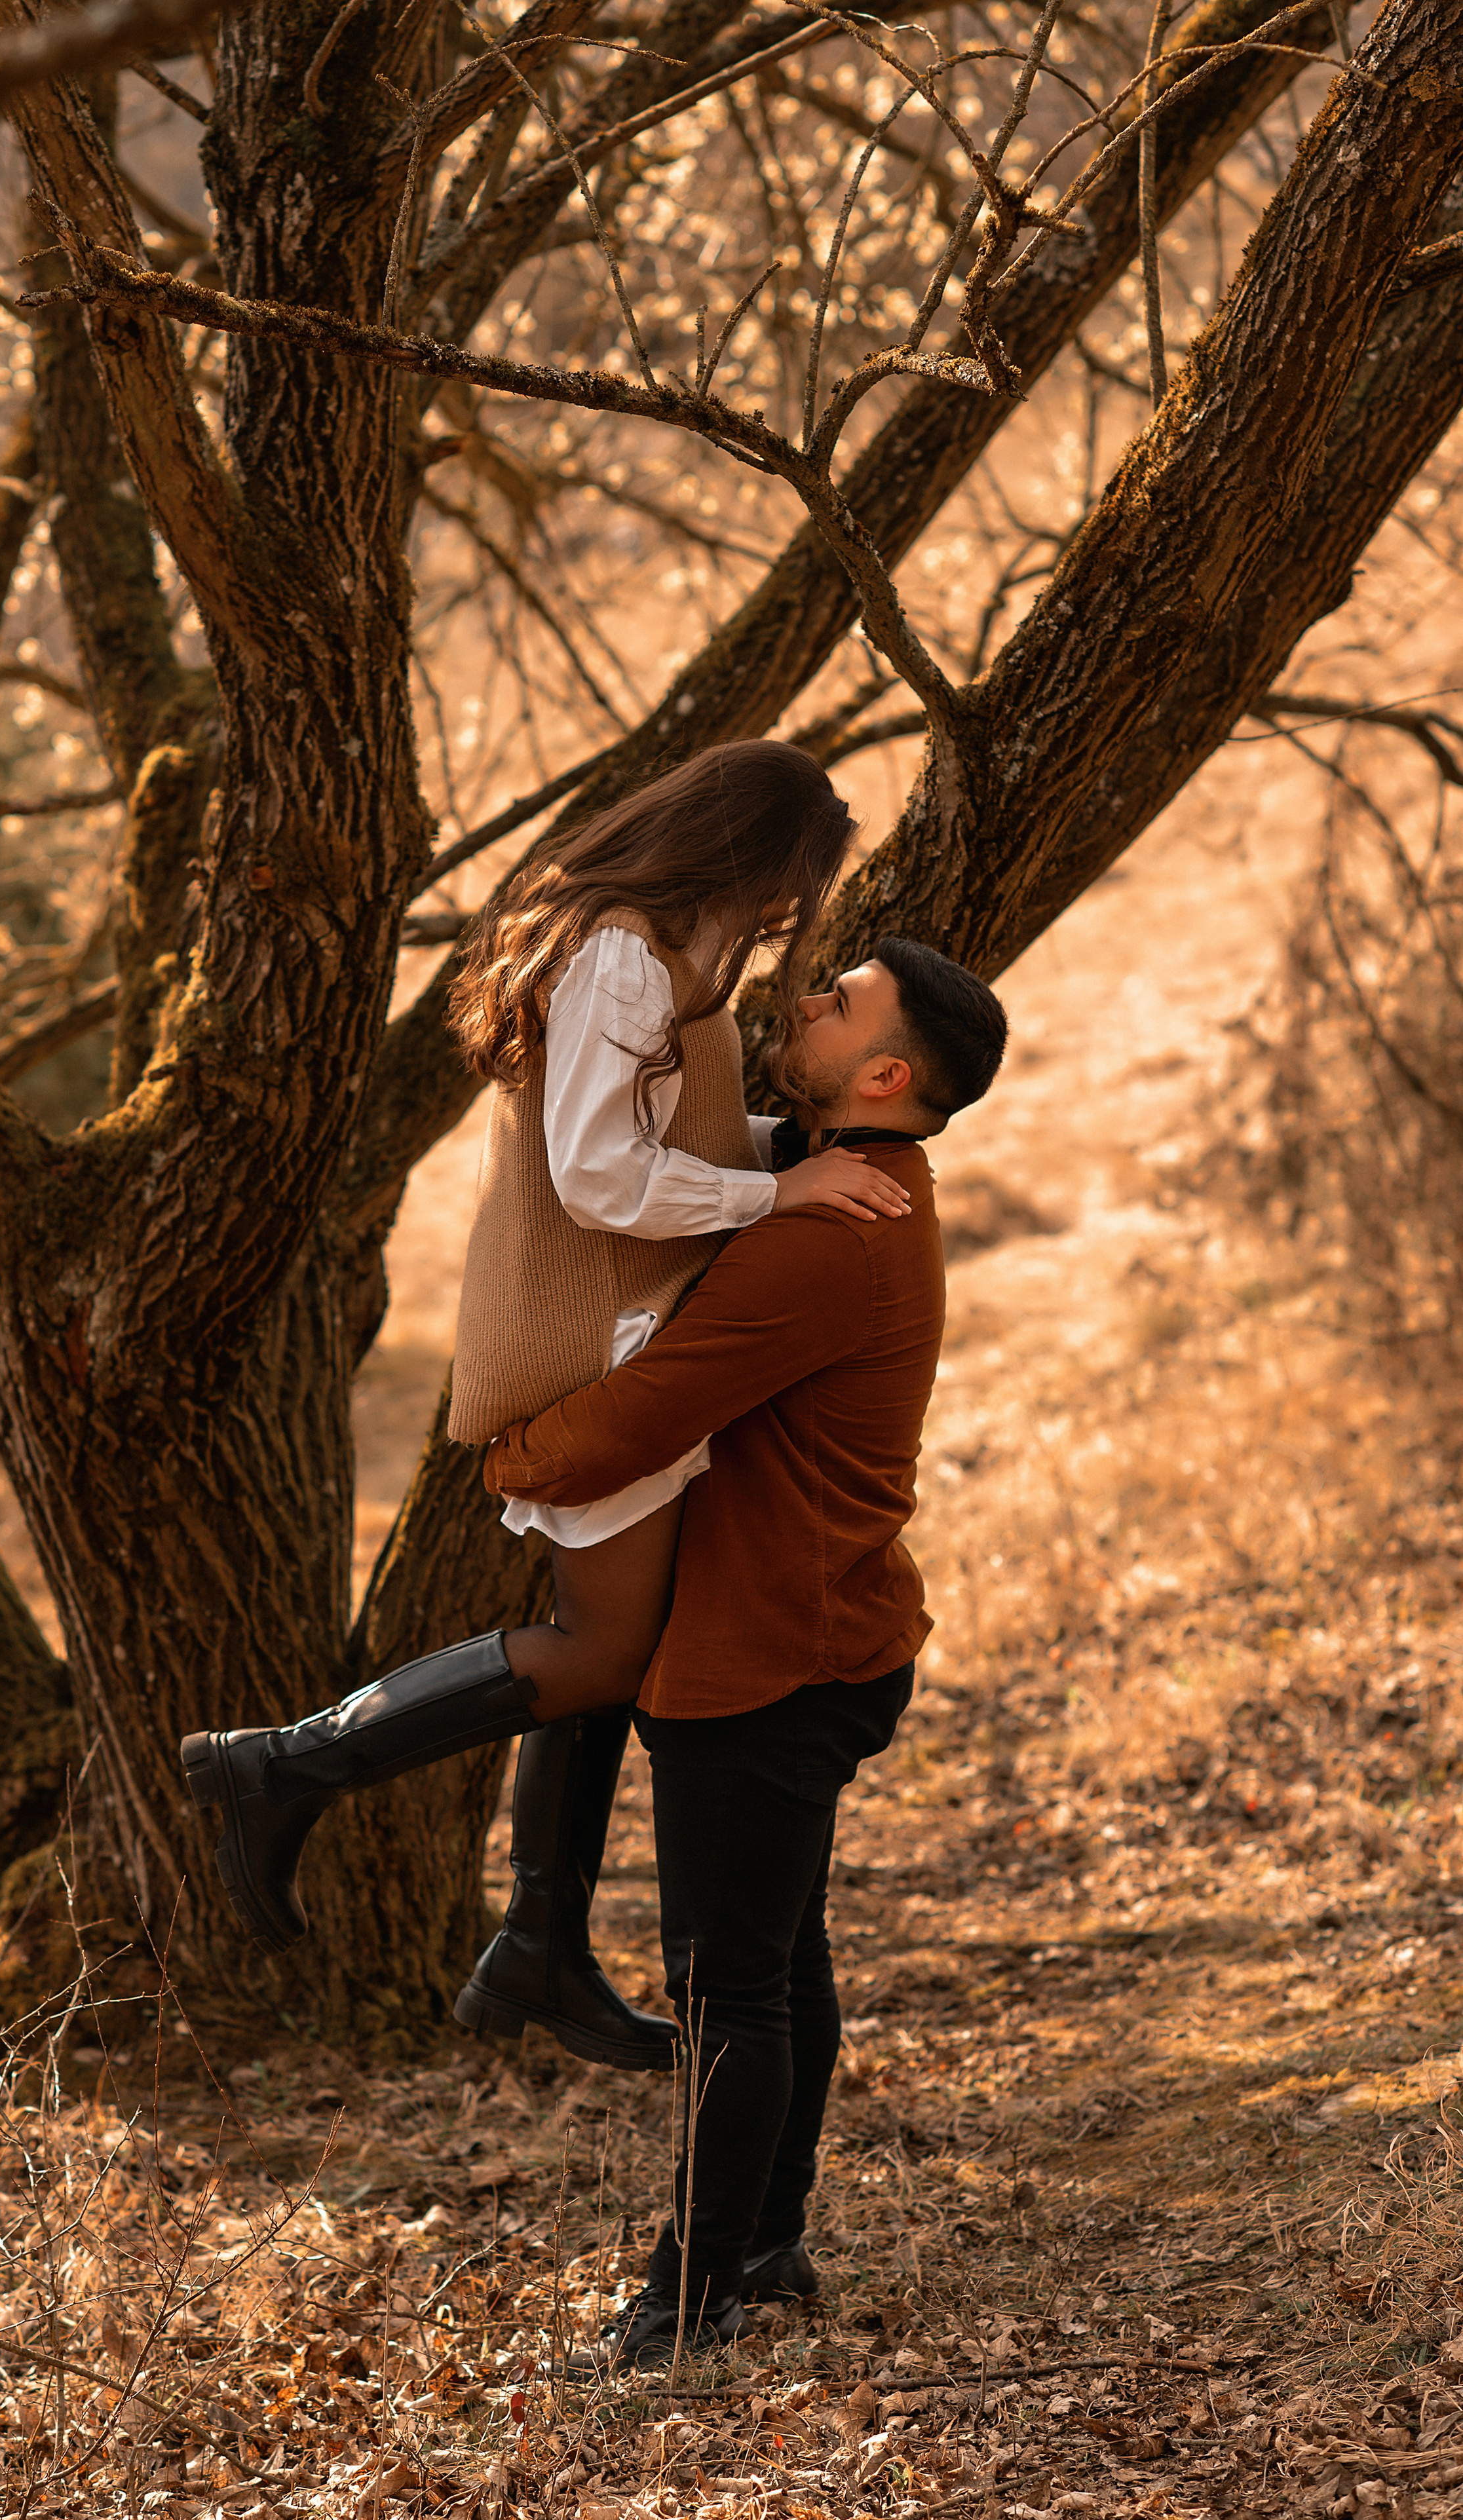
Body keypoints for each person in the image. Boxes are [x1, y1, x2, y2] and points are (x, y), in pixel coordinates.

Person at [180, 742, 909, 2067]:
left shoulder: (666, 946)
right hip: (581, 1332)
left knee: (606, 1647)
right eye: (789, 887)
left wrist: (802, 1156)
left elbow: (666, 1138)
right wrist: (778, 1193)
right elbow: (598, 1177)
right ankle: (283, 1767)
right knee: (603, 1653)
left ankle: (539, 1940)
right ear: (740, 849)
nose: (785, 920)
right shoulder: (621, 954)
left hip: (618, 1318)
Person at [482, 937, 1008, 2367]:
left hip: (771, 1655)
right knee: (776, 1963)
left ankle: (691, 2289)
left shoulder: (826, 1230)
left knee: (734, 1982)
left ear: (885, 1077)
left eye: (835, 1005)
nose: (801, 1003)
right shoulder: (851, 1186)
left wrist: (503, 1448)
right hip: (809, 1632)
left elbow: (655, 1408)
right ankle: (763, 2238)